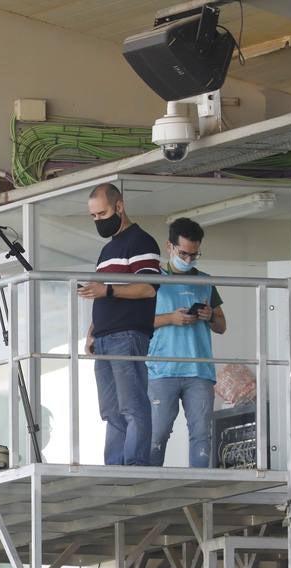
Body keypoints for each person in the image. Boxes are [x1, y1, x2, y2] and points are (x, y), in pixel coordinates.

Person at [80, 183, 161, 466]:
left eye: (101, 214)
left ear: (119, 206)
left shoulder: (141, 241)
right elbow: (101, 292)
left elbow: (149, 288)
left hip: (127, 334)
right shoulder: (107, 249)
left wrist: (108, 291)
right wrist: (92, 331)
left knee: (131, 405)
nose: (98, 221)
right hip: (104, 337)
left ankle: (135, 464)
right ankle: (114, 467)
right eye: (93, 216)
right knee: (111, 410)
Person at [148, 217, 227, 467]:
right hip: (162, 369)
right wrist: (171, 318)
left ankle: (200, 490)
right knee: (157, 433)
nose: (189, 259)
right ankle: (147, 486)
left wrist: (210, 315)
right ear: (169, 247)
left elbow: (222, 325)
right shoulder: (151, 280)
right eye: (184, 253)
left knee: (202, 435)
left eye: (194, 254)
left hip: (199, 370)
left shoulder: (205, 280)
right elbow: (137, 322)